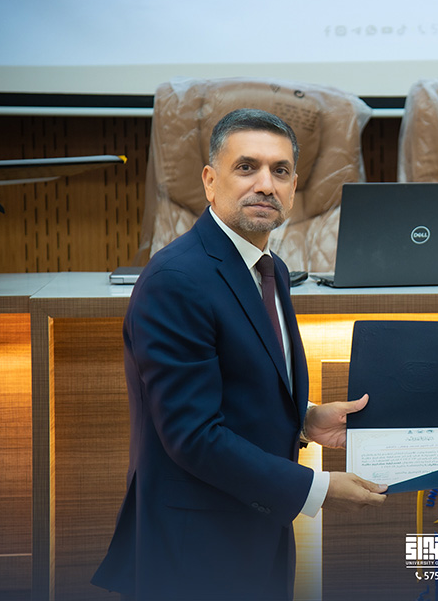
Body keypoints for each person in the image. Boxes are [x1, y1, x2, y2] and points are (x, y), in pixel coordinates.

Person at [92, 108, 387, 600]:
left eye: (280, 171)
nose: (266, 185)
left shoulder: (269, 268)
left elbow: (237, 385)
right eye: (247, 167)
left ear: (294, 187)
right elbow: (193, 436)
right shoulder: (177, 280)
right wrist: (318, 488)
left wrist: (305, 419)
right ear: (210, 181)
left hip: (257, 531)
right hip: (193, 549)